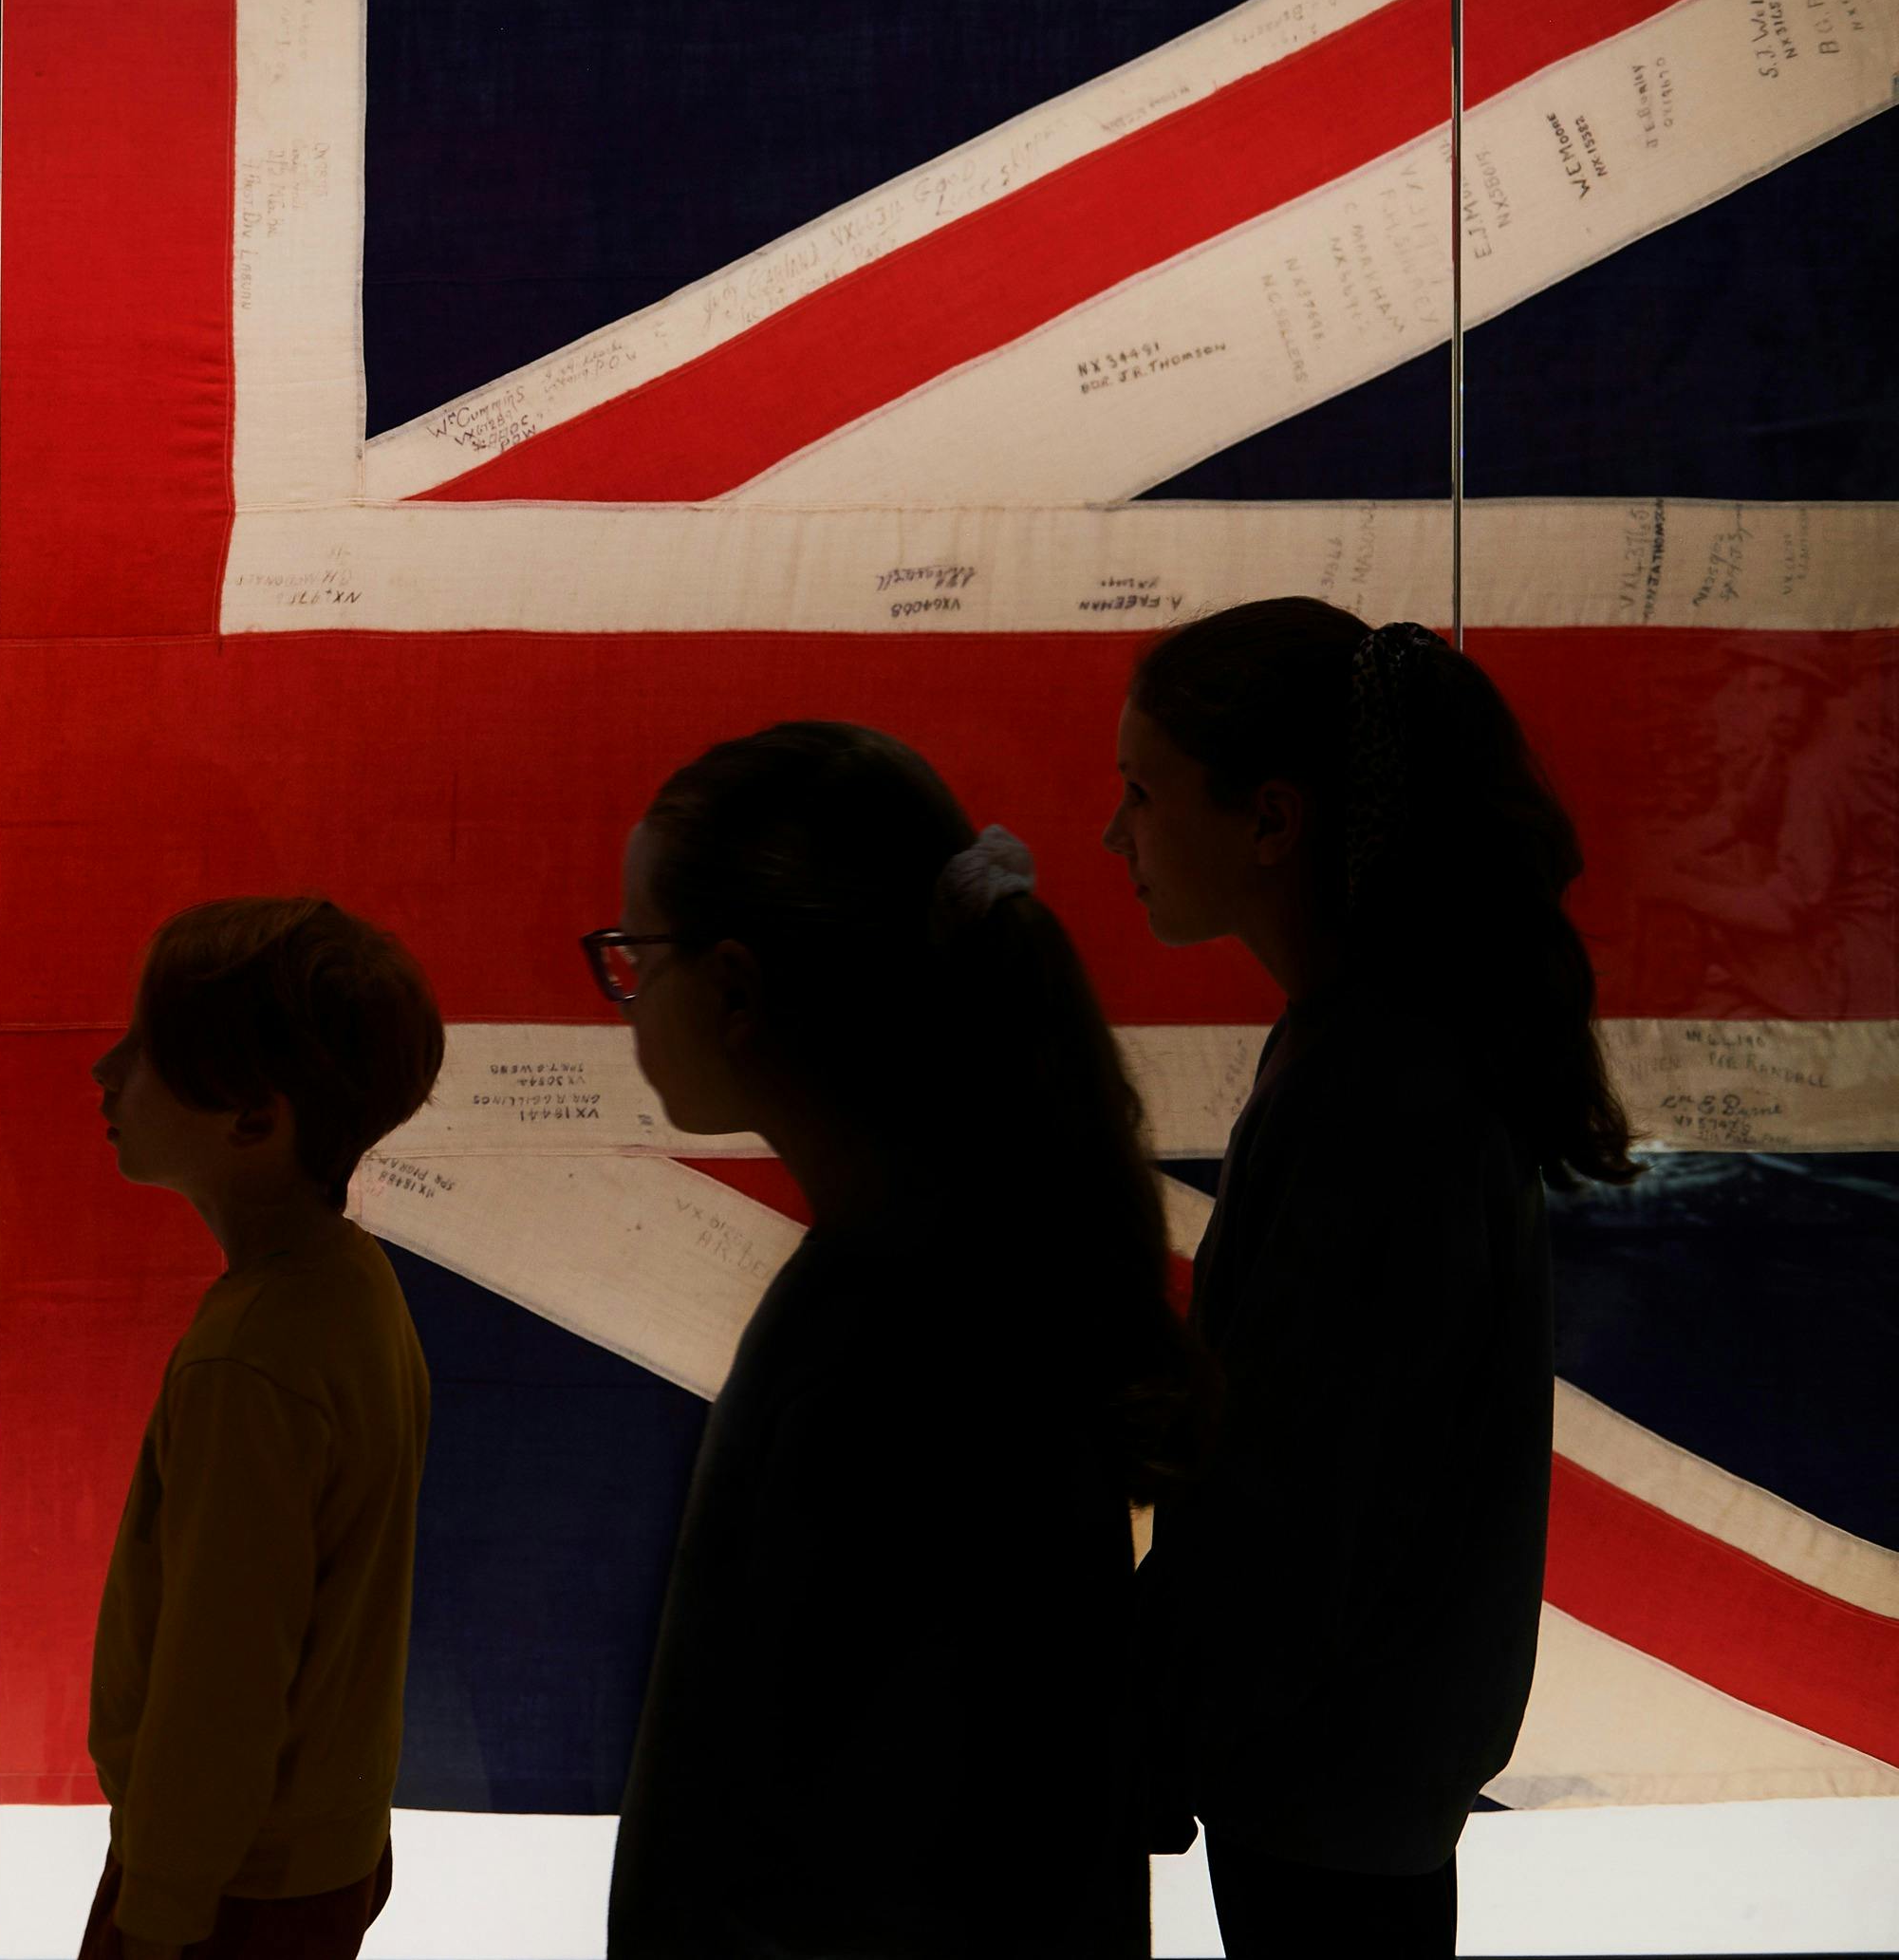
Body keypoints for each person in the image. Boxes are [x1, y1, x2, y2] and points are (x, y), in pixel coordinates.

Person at [596, 721, 1203, 1957]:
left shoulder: (876, 1334)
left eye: (632, 954)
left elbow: (812, 1832)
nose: (623, 991)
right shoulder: (960, 1269)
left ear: (732, 989)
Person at [1107, 598, 1633, 1956]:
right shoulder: (1376, 1057)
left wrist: (1136, 1748)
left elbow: (1299, 1517)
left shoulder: (1374, 1089)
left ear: (1273, 820)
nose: (1118, 837)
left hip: (1324, 1785)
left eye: (1145, 794)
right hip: (1340, 1780)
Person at [80, 897, 444, 1960]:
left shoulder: (250, 1357)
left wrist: (153, 1912)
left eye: (145, 1050)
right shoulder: (352, 1282)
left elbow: (219, 1688)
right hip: (317, 1854)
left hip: (222, 1892)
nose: (104, 1070)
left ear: (253, 1116)